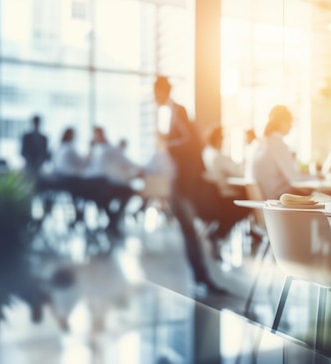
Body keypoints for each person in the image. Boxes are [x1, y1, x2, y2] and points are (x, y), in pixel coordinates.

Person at [153, 75, 226, 294]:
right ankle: (200, 276)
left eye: (156, 92)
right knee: (188, 230)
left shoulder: (179, 111)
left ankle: (202, 277)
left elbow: (190, 142)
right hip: (181, 180)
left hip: (183, 182)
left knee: (190, 230)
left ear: (162, 91)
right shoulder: (175, 112)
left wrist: (167, 142)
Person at [83, 126, 140, 233]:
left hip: (97, 181)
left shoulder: (105, 149)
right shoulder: (97, 149)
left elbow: (124, 162)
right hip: (96, 182)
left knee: (107, 197)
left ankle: (113, 221)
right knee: (126, 192)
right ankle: (114, 221)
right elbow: (125, 162)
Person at [252, 105, 315, 199]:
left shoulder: (262, 143)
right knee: (321, 197)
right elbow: (295, 178)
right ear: (282, 122)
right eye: (289, 122)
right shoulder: (277, 145)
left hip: (268, 199)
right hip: (279, 200)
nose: (291, 126)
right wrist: (315, 177)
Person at [21, 114, 50, 181]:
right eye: (35, 122)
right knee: (28, 183)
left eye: (38, 122)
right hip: (29, 166)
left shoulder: (44, 138)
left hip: (40, 166)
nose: (36, 124)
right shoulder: (26, 137)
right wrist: (30, 162)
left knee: (39, 184)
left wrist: (40, 161)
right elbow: (23, 151)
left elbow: (45, 152)